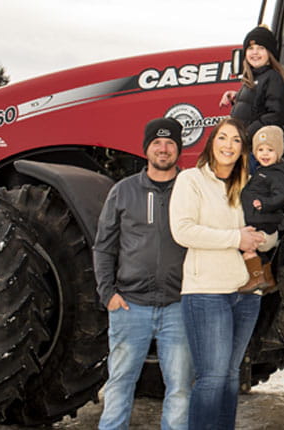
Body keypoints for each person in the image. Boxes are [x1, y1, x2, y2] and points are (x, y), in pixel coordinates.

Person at [168, 117, 276, 430]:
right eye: (222, 138)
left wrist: (259, 239)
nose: (228, 146)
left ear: (243, 149)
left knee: (231, 377)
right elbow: (183, 231)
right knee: (212, 378)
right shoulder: (191, 181)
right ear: (212, 143)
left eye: (236, 141)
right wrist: (235, 238)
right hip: (207, 292)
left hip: (247, 293)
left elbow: (269, 234)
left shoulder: (250, 186)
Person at [93, 117, 194, 430]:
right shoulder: (124, 191)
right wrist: (108, 294)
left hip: (178, 305)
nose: (163, 149)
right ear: (146, 148)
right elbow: (104, 247)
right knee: (120, 382)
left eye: (170, 144)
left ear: (179, 149)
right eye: (157, 143)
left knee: (179, 388)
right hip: (129, 305)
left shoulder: (191, 189)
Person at [240, 125, 284, 290]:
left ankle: (256, 279)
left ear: (278, 152)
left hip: (265, 223)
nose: (265, 154)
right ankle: (269, 279)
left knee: (248, 249)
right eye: (260, 150)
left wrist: (264, 204)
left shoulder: (277, 175)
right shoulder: (263, 171)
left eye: (270, 150)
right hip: (259, 220)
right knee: (259, 253)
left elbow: (281, 197)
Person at [219, 25, 284, 139]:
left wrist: (248, 134)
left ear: (270, 53)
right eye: (250, 48)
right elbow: (254, 105)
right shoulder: (252, 78)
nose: (255, 52)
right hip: (244, 144)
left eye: (261, 48)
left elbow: (276, 114)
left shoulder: (273, 77)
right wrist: (236, 97)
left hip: (257, 146)